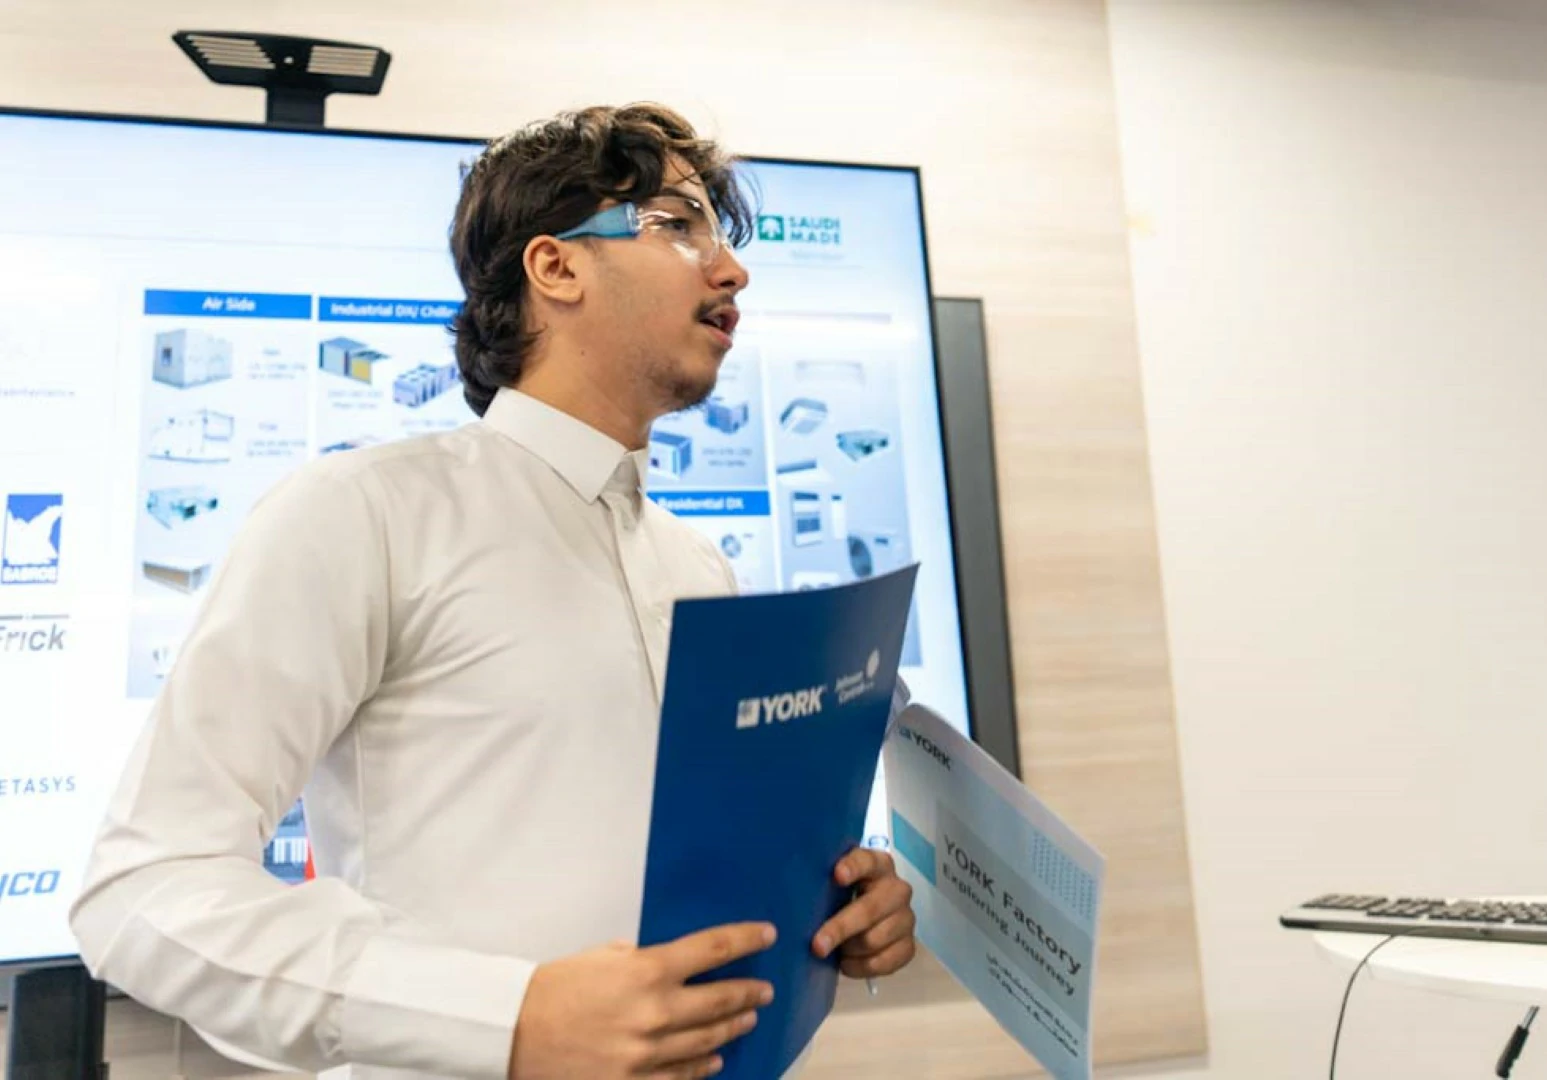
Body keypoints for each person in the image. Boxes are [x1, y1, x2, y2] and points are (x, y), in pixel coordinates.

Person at [69, 103, 917, 1080]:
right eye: (678, 226)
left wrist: (833, 905)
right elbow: (143, 890)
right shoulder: (365, 512)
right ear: (554, 267)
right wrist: (509, 1018)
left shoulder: (698, 566)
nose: (730, 271)